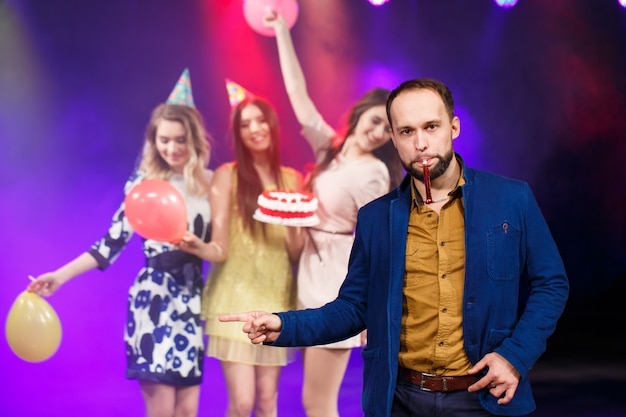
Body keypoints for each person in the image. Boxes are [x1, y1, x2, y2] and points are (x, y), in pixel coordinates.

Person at [220, 78, 570, 417]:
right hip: (400, 400)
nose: (420, 143)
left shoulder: (511, 198)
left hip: (483, 397)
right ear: (393, 138)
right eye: (406, 131)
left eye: (431, 127)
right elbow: (355, 308)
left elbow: (551, 284)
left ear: (454, 127)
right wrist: (283, 325)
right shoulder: (375, 218)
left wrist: (515, 356)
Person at [28, 68, 214, 417]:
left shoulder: (211, 183)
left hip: (191, 303)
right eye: (164, 140)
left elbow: (225, 246)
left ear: (194, 139)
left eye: (180, 139)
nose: (172, 147)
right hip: (153, 303)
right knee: (161, 410)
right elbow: (108, 245)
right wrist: (60, 275)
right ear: (153, 141)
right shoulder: (142, 185)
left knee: (188, 411)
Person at [261, 12, 403, 417]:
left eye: (388, 131)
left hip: (337, 281)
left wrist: (372, 309)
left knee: (317, 401)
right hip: (309, 270)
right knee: (312, 398)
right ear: (361, 114)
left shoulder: (375, 173)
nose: (378, 133)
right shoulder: (331, 151)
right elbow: (297, 94)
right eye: (376, 121)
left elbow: (378, 241)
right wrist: (281, 33)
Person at [176, 94, 303, 417]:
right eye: (245, 124)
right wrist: (196, 245)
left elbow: (296, 251)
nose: (255, 129)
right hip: (235, 297)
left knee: (266, 401)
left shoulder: (293, 180)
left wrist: (289, 222)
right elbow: (219, 248)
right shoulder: (226, 175)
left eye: (260, 121)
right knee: (243, 402)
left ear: (273, 126)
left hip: (276, 298)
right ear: (238, 133)